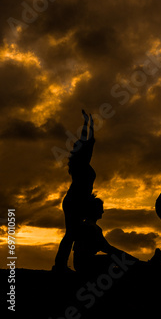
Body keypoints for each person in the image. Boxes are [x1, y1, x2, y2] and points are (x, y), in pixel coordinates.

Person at [73, 195, 161, 274]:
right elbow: (108, 249)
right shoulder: (90, 228)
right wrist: (127, 257)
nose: (103, 211)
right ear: (94, 210)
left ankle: (145, 265)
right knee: (115, 258)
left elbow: (107, 248)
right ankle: (146, 266)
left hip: (83, 263)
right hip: (85, 264)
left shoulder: (89, 226)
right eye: (100, 208)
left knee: (117, 258)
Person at [53, 110, 96, 272]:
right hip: (74, 201)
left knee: (74, 234)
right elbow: (88, 140)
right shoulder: (81, 164)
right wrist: (88, 124)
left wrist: (88, 123)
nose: (90, 150)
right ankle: (61, 265)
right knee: (71, 234)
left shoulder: (80, 163)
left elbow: (88, 140)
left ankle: (65, 264)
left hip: (77, 201)